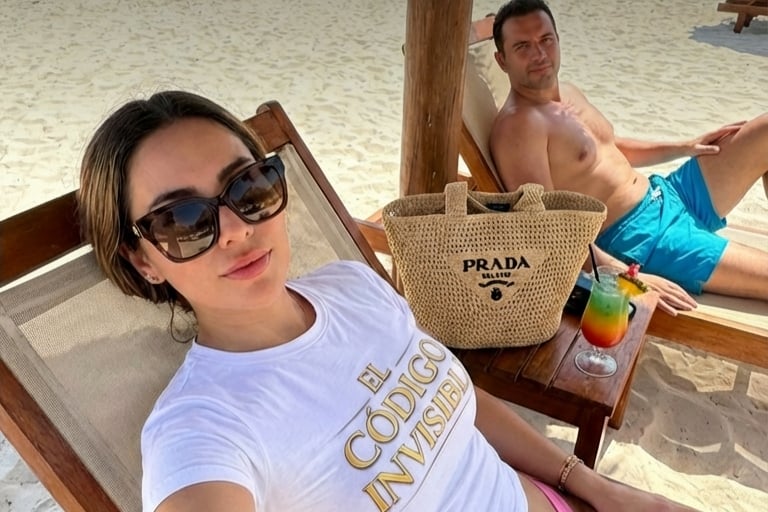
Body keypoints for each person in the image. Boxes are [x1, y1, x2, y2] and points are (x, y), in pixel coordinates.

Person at [78, 90, 696, 512]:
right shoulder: (201, 429)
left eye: (248, 186)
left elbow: (456, 402)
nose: (237, 229)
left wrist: (594, 486)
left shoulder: (351, 287)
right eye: (183, 221)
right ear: (142, 259)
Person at [489, 0, 768, 314]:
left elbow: (609, 147)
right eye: (523, 46)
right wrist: (625, 275)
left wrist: (684, 146)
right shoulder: (519, 128)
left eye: (545, 39)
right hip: (643, 241)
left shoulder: (567, 92)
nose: (539, 54)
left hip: (668, 192)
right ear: (502, 60)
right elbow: (545, 225)